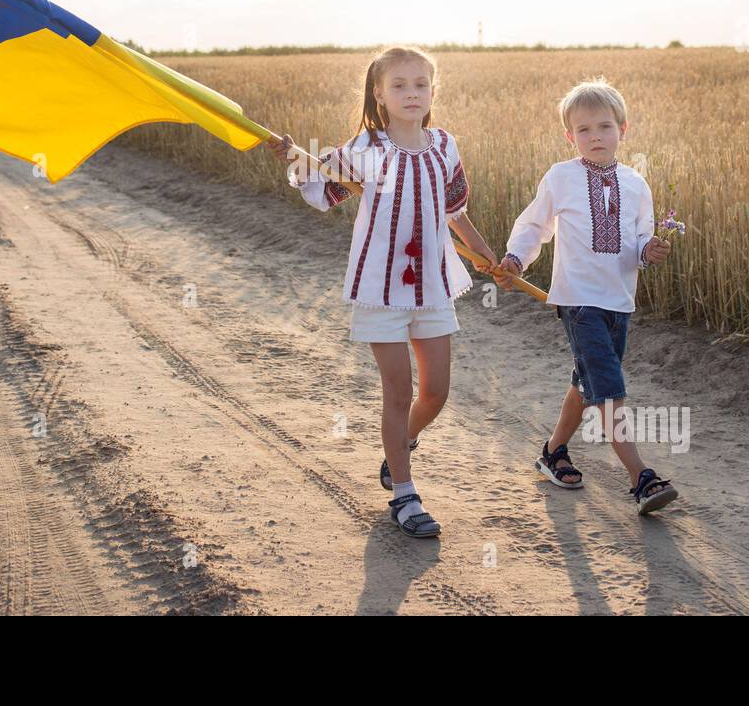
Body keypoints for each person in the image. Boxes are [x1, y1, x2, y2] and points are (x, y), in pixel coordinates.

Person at [265, 45, 496, 537]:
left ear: (433, 90)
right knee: (399, 390)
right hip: (381, 287)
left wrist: (486, 255)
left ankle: (400, 447)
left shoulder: (445, 146)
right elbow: (326, 188)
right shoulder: (368, 149)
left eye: (420, 84)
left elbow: (455, 212)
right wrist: (295, 158)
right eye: (399, 86)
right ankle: (405, 496)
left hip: (431, 284)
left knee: (435, 392)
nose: (411, 94)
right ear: (379, 94)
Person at [495, 77, 679, 514]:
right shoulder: (561, 177)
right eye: (584, 130)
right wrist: (516, 259)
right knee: (609, 388)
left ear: (623, 129)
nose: (595, 136)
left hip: (620, 302)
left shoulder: (636, 184)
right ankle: (642, 479)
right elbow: (534, 225)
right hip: (578, 302)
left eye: (604, 127)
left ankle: (553, 453)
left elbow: (640, 241)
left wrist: (651, 251)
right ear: (569, 136)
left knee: (587, 381)